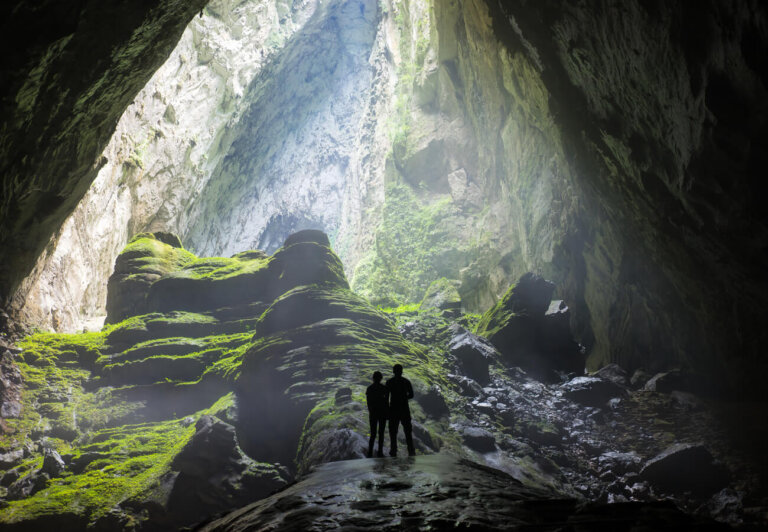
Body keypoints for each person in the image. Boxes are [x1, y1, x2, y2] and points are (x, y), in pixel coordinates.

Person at [386, 364, 415, 456]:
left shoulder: (389, 382)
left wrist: (387, 411)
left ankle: (393, 450)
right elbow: (411, 395)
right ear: (401, 371)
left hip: (393, 409)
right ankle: (411, 450)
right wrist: (404, 397)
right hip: (404, 409)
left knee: (393, 431)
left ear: (393, 371)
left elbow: (387, 397)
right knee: (407, 431)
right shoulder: (406, 382)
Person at [365, 371, 388, 457]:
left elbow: (368, 402)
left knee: (373, 434)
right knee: (381, 433)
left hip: (373, 413)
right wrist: (387, 412)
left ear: (373, 378)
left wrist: (371, 411)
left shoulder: (370, 388)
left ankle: (370, 453)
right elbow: (386, 402)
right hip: (382, 413)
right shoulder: (384, 388)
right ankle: (380, 452)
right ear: (381, 378)